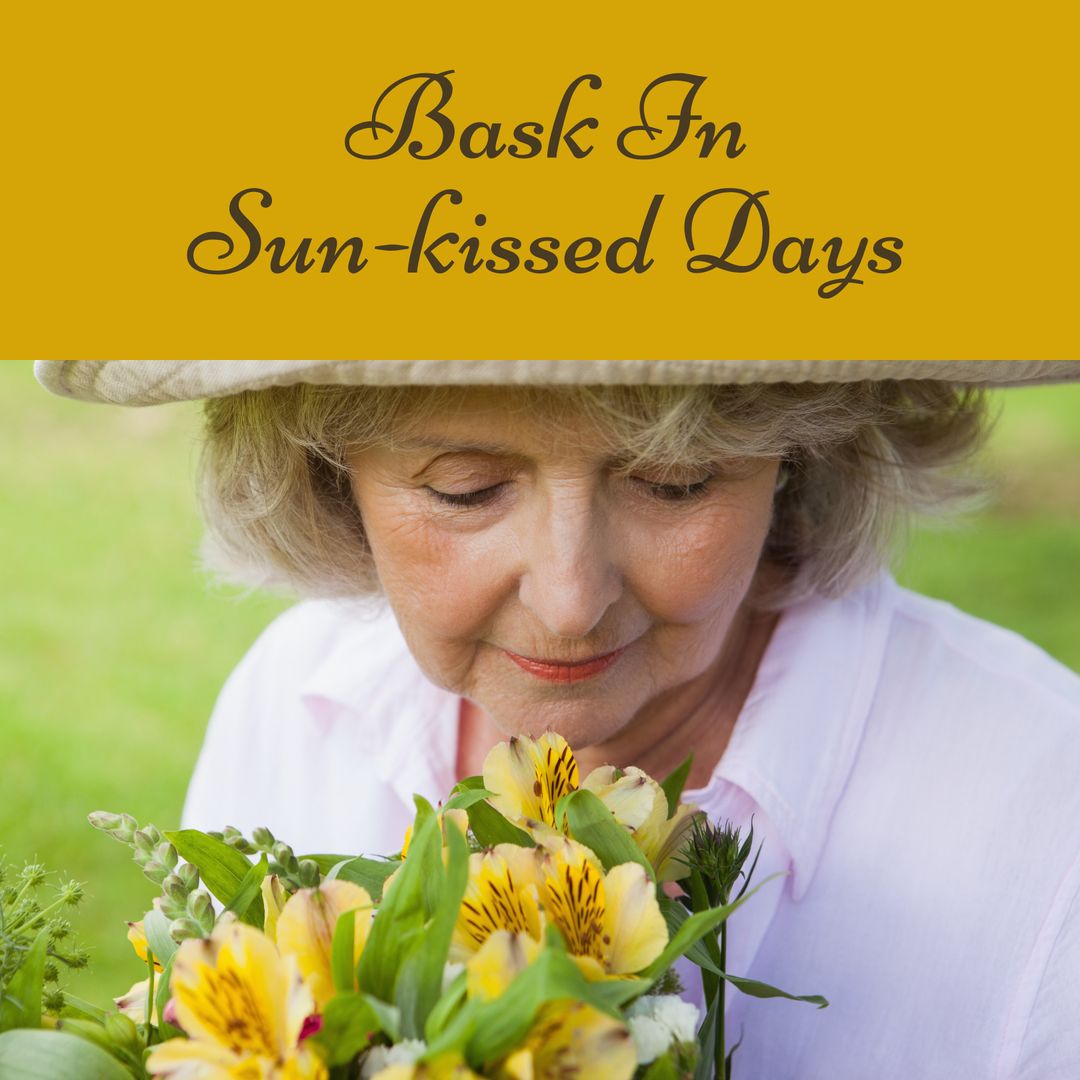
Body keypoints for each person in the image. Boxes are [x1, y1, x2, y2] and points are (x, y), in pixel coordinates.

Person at [35, 359, 1080, 1079]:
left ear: (804, 458)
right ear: (328, 477)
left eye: (675, 482)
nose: (571, 598)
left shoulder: (1045, 819)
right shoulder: (297, 696)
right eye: (465, 489)